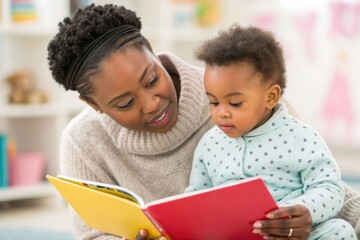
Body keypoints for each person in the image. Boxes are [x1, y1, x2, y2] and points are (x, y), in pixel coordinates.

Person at [46, 3, 360, 240]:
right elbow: (94, 234)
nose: (152, 103)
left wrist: (307, 215)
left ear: (153, 53)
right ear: (92, 104)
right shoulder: (82, 141)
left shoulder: (241, 94)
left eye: (152, 79)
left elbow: (333, 192)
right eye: (125, 103)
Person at [185, 24, 356, 239]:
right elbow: (196, 197)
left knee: (340, 230)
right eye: (213, 102)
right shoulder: (209, 144)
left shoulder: (300, 137)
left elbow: (329, 188)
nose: (221, 113)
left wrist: (301, 210)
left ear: (271, 97)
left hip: (292, 234)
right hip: (235, 235)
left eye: (235, 103)